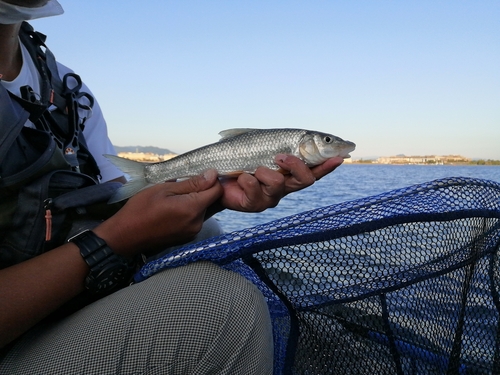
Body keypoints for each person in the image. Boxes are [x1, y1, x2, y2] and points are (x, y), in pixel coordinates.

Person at [0, 1, 344, 374]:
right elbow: (119, 227)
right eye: (327, 142)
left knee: (205, 231)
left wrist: (212, 198)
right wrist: (113, 240)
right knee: (228, 305)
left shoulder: (67, 87)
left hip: (55, 301)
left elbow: (111, 196)